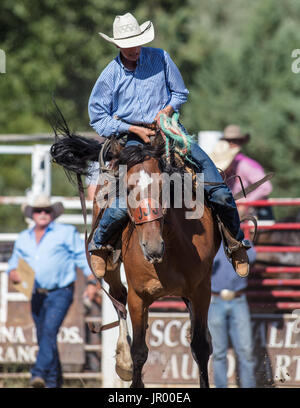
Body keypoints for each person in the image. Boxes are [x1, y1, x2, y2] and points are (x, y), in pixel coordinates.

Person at [88, 12, 251, 277]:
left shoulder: (161, 58)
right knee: (121, 202)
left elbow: (180, 92)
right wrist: (131, 128)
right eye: (127, 43)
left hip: (171, 133)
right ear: (117, 45)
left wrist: (166, 110)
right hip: (132, 139)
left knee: (218, 190)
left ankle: (235, 244)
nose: (133, 48)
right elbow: (98, 117)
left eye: (137, 41)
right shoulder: (109, 76)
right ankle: (100, 246)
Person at [6, 195, 98, 388]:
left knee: (48, 331)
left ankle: (37, 374)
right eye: (39, 211)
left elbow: (81, 256)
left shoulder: (65, 233)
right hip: (36, 293)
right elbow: (14, 263)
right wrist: (13, 273)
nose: (42, 214)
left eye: (46, 210)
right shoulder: (24, 238)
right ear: (32, 214)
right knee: (44, 336)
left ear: (52, 214)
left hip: (60, 292)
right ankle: (53, 382)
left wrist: (92, 279)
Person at [208, 244, 257, 388]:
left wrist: (239, 245)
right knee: (218, 353)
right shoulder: (212, 243)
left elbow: (253, 257)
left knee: (246, 351)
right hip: (216, 300)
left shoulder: (243, 241)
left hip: (238, 300)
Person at [210, 125, 273, 220]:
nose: (232, 144)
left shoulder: (245, 165)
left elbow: (265, 187)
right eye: (228, 141)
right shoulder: (224, 168)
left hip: (255, 211)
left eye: (235, 141)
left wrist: (246, 202)